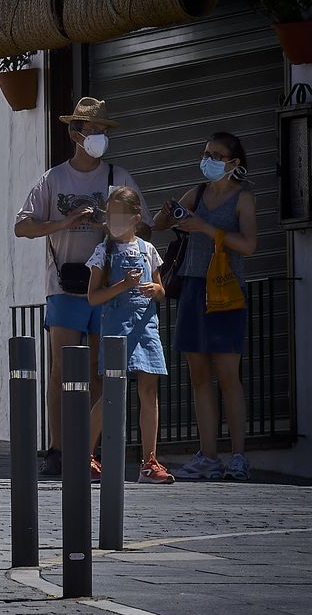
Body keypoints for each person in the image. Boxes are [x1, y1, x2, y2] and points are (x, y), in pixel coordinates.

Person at [14, 97, 147, 478]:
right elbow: (23, 226)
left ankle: (88, 446)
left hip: (107, 285)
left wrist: (113, 224)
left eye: (104, 131)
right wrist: (64, 222)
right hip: (64, 285)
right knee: (61, 366)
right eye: (93, 131)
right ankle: (57, 447)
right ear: (76, 134)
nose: (100, 136)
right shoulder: (53, 179)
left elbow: (146, 224)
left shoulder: (117, 177)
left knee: (98, 369)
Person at [153, 132, 258, 481]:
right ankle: (208, 455)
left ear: (233, 163)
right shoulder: (196, 194)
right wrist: (169, 214)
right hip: (192, 287)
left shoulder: (243, 198)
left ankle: (239, 456)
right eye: (206, 153)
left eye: (217, 154)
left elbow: (248, 245)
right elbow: (158, 225)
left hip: (226, 290)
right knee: (199, 375)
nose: (209, 159)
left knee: (228, 375)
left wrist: (205, 227)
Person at [87, 187, 172, 483]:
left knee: (149, 391)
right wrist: (122, 285)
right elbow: (93, 297)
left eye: (121, 215)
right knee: (112, 391)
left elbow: (162, 290)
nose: (114, 220)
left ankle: (150, 461)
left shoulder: (149, 250)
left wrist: (156, 290)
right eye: (110, 215)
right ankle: (86, 454)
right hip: (117, 327)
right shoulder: (103, 252)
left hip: (145, 326)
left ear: (136, 218)